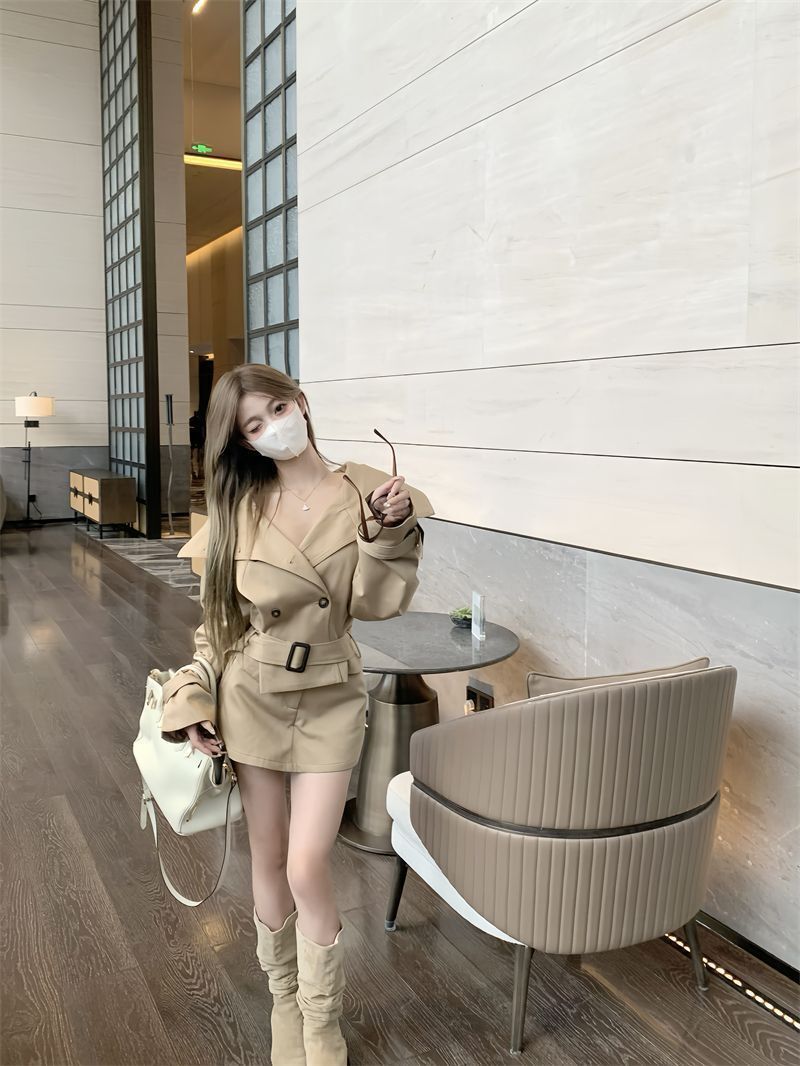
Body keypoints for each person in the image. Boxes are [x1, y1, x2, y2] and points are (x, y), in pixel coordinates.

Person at [157, 364, 434, 1066]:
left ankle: (322, 1018)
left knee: (309, 863)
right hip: (252, 693)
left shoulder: (364, 489)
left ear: (301, 403)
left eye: (277, 410)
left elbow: (374, 603)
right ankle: (286, 1000)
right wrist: (194, 692)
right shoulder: (239, 507)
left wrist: (387, 532)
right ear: (244, 443)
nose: (272, 428)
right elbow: (219, 624)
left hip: (331, 692)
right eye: (253, 426)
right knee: (270, 857)